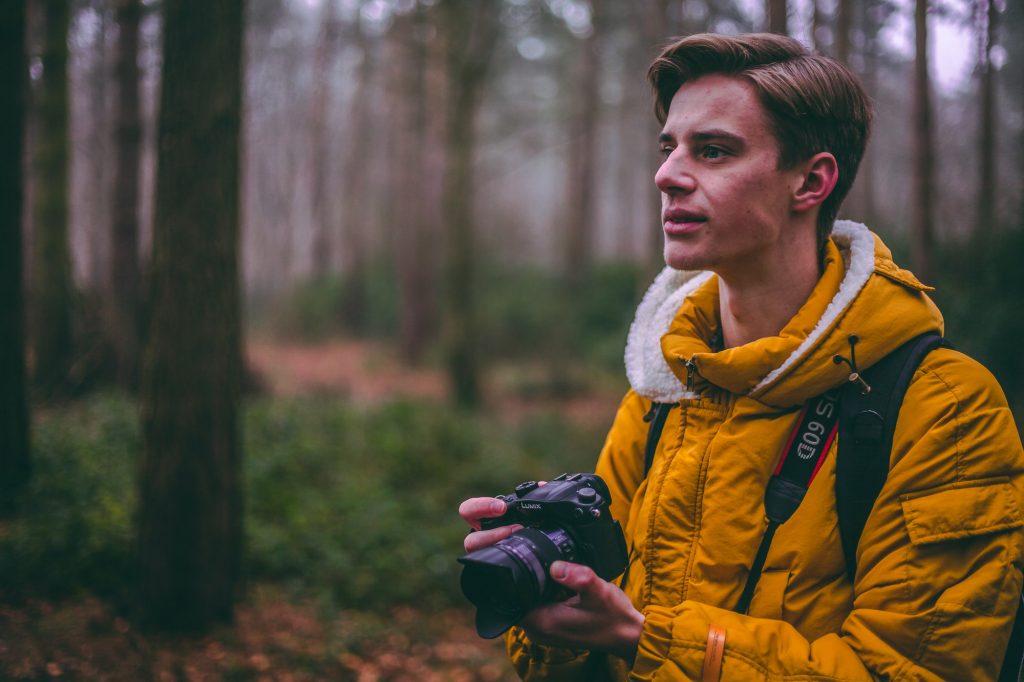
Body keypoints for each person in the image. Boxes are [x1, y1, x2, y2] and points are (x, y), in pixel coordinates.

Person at [459, 33, 1024, 680]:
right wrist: (548, 589)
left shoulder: (944, 408)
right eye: (669, 147)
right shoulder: (663, 384)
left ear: (811, 181)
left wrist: (646, 640)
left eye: (714, 151)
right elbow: (591, 634)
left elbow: (911, 671)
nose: (666, 175)